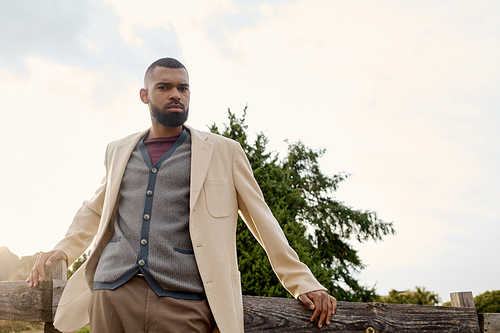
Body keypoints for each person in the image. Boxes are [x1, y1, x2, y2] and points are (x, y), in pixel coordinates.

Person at [27, 57, 337, 333]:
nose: (176, 94)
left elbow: (262, 219)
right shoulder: (118, 150)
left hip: (184, 301)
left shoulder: (223, 152)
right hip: (112, 294)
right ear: (145, 95)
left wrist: (302, 281)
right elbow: (96, 209)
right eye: (165, 87)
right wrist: (64, 248)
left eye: (183, 88)